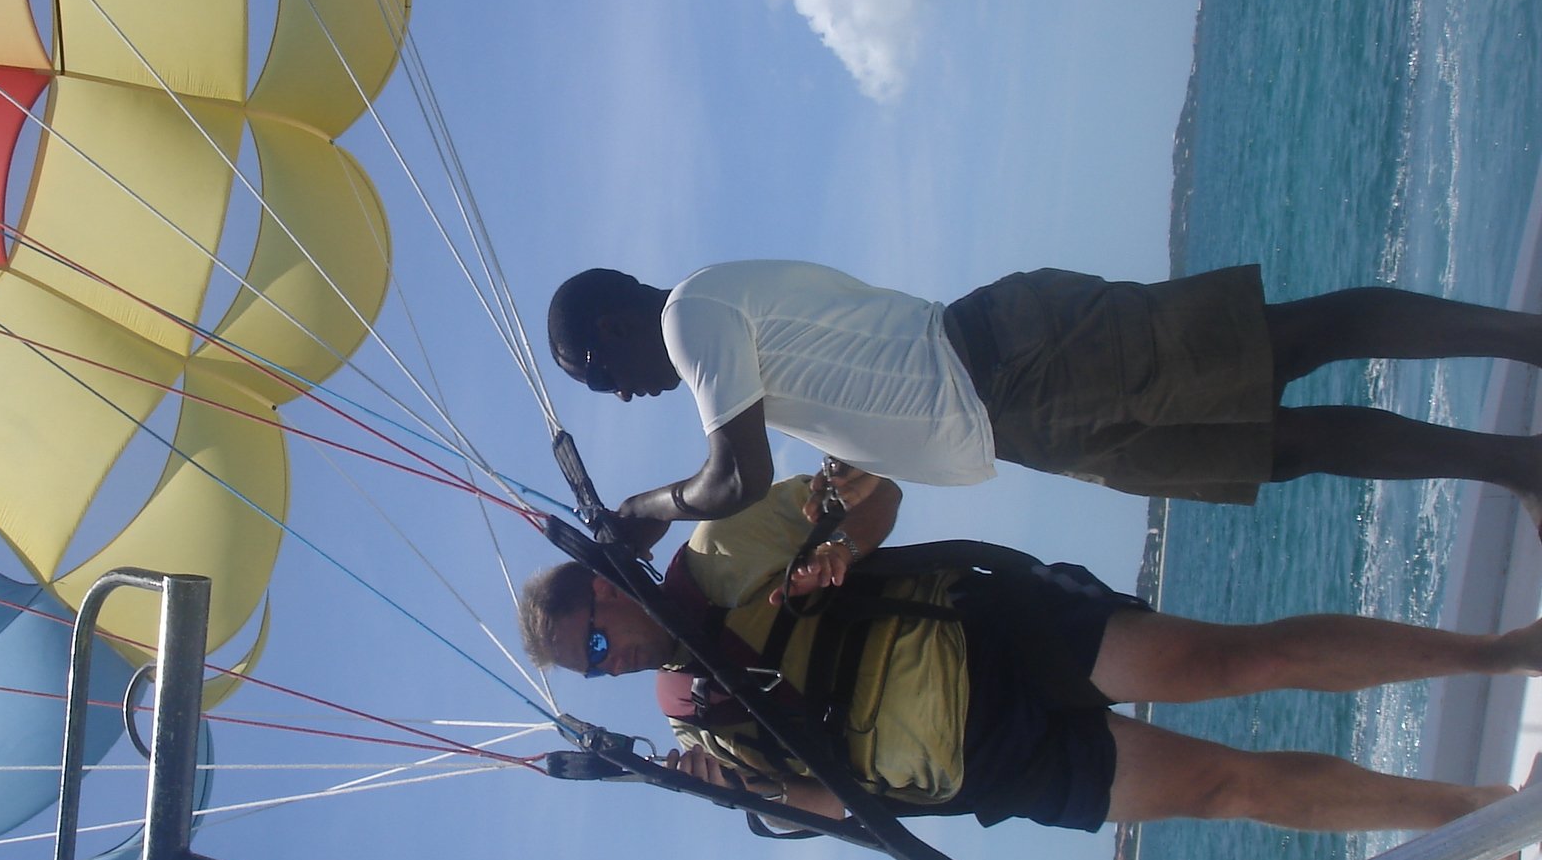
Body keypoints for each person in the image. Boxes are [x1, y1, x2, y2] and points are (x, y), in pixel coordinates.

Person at [517, 468, 1534, 860]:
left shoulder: (714, 552)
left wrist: (835, 544)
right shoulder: (700, 724)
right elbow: (843, 803)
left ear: (608, 586)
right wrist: (752, 794)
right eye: (592, 668)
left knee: (1239, 661)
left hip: (993, 636)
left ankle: (1500, 652)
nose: (613, 660)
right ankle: (1473, 812)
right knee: (1230, 786)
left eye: (594, 636)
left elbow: (871, 490)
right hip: (995, 767)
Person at [545, 261, 1542, 546]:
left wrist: (637, 515)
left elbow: (732, 479)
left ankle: (1525, 343)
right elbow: (861, 383)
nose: (623, 396)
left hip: (1016, 361)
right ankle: (1516, 465)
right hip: (1019, 419)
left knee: (1282, 342)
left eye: (600, 378)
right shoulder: (722, 335)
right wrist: (853, 478)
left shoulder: (689, 315)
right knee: (1271, 444)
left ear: (610, 331)